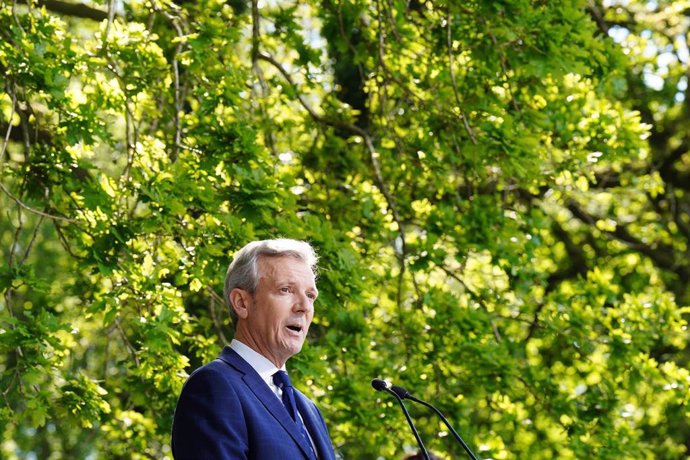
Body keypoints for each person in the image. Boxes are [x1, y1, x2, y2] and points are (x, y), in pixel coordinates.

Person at [171, 239, 336, 459]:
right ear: (242, 303)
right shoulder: (214, 386)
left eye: (310, 296)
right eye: (286, 290)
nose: (304, 307)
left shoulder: (308, 409)